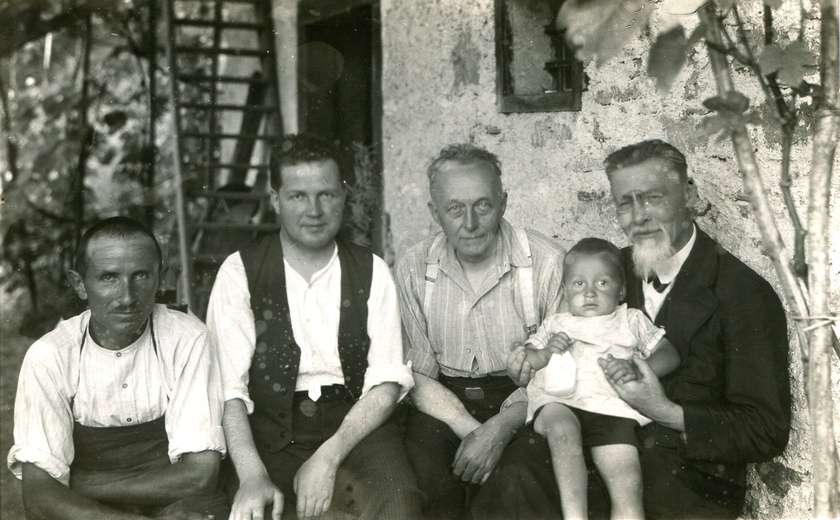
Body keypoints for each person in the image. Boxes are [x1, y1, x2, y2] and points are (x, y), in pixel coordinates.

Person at [509, 139, 791, 518]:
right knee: (511, 479)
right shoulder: (607, 273)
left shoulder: (743, 292)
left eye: (653, 197)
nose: (638, 216)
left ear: (688, 195)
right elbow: (558, 358)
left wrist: (665, 410)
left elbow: (765, 429)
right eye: (625, 202)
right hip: (592, 450)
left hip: (684, 475)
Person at [206, 134, 422, 520]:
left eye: (326, 194)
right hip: (270, 430)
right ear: (275, 200)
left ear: (343, 196)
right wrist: (252, 475)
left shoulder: (371, 270)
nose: (314, 210)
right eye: (298, 196)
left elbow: (387, 382)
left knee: (398, 501)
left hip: (357, 424)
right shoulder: (240, 272)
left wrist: (329, 456)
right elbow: (228, 391)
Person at [8, 216, 228, 520]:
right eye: (109, 278)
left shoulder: (187, 339)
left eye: (141, 276)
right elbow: (39, 495)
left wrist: (81, 485)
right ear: (80, 284)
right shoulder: (50, 355)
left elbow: (200, 475)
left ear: (160, 278)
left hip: (170, 503)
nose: (127, 297)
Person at [395, 143, 567, 519]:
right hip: (443, 401)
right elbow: (415, 374)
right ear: (434, 212)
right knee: (420, 478)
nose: (470, 223)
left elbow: (557, 374)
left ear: (503, 203)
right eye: (455, 209)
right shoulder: (413, 267)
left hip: (526, 402)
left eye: (483, 206)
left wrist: (498, 430)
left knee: (516, 479)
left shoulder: (546, 262)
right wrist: (472, 429)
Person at [518, 237, 680, 519]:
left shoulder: (630, 319)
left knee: (626, 480)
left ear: (621, 291)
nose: (589, 293)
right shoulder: (556, 323)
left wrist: (637, 367)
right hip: (560, 402)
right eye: (579, 284)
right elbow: (528, 360)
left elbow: (669, 354)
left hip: (612, 409)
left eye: (602, 283)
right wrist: (545, 353)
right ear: (566, 290)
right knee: (563, 432)